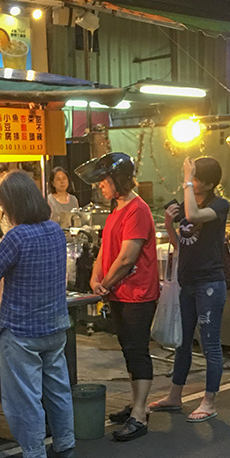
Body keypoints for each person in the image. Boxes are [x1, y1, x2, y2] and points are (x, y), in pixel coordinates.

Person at [0, 171, 76, 458]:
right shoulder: (55, 231)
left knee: (24, 396)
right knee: (57, 389)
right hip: (55, 326)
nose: (1, 212)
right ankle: (65, 448)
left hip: (22, 331)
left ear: (12, 203)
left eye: (1, 205)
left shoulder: (15, 237)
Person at [77, 153, 158, 442]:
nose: (100, 186)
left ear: (118, 180)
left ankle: (139, 415)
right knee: (128, 349)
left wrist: (105, 283)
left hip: (138, 292)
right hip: (120, 292)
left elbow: (127, 257)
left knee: (137, 350)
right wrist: (95, 277)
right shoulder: (117, 209)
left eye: (104, 180)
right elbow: (105, 250)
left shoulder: (137, 210)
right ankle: (138, 404)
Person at [149, 157, 229, 422]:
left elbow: (195, 216)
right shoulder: (185, 203)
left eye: (195, 178)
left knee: (209, 344)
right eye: (190, 177)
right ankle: (175, 395)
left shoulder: (219, 205)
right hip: (187, 281)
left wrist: (185, 179)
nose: (191, 182)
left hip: (210, 283)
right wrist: (170, 225)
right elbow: (182, 243)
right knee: (182, 342)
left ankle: (209, 400)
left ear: (207, 183)